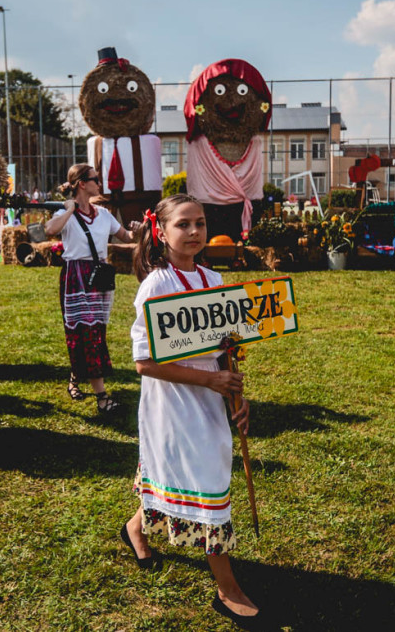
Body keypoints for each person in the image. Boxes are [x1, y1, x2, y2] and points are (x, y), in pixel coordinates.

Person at [124, 193, 262, 629]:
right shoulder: (156, 284)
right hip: (172, 400)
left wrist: (236, 396)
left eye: (200, 223)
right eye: (183, 224)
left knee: (189, 474)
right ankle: (227, 587)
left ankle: (136, 528)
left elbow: (227, 347)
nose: (195, 232)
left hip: (209, 396)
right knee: (206, 477)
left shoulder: (214, 277)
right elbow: (144, 363)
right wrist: (210, 381)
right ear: (160, 232)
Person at [44, 163, 132, 413]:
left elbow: (125, 236)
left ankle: (76, 377)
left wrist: (142, 229)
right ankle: (102, 396)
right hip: (76, 276)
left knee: (95, 331)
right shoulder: (67, 213)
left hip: (100, 275)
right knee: (83, 332)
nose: (99, 183)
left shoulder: (103, 213)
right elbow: (50, 231)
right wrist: (69, 210)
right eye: (95, 179)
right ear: (82, 183)